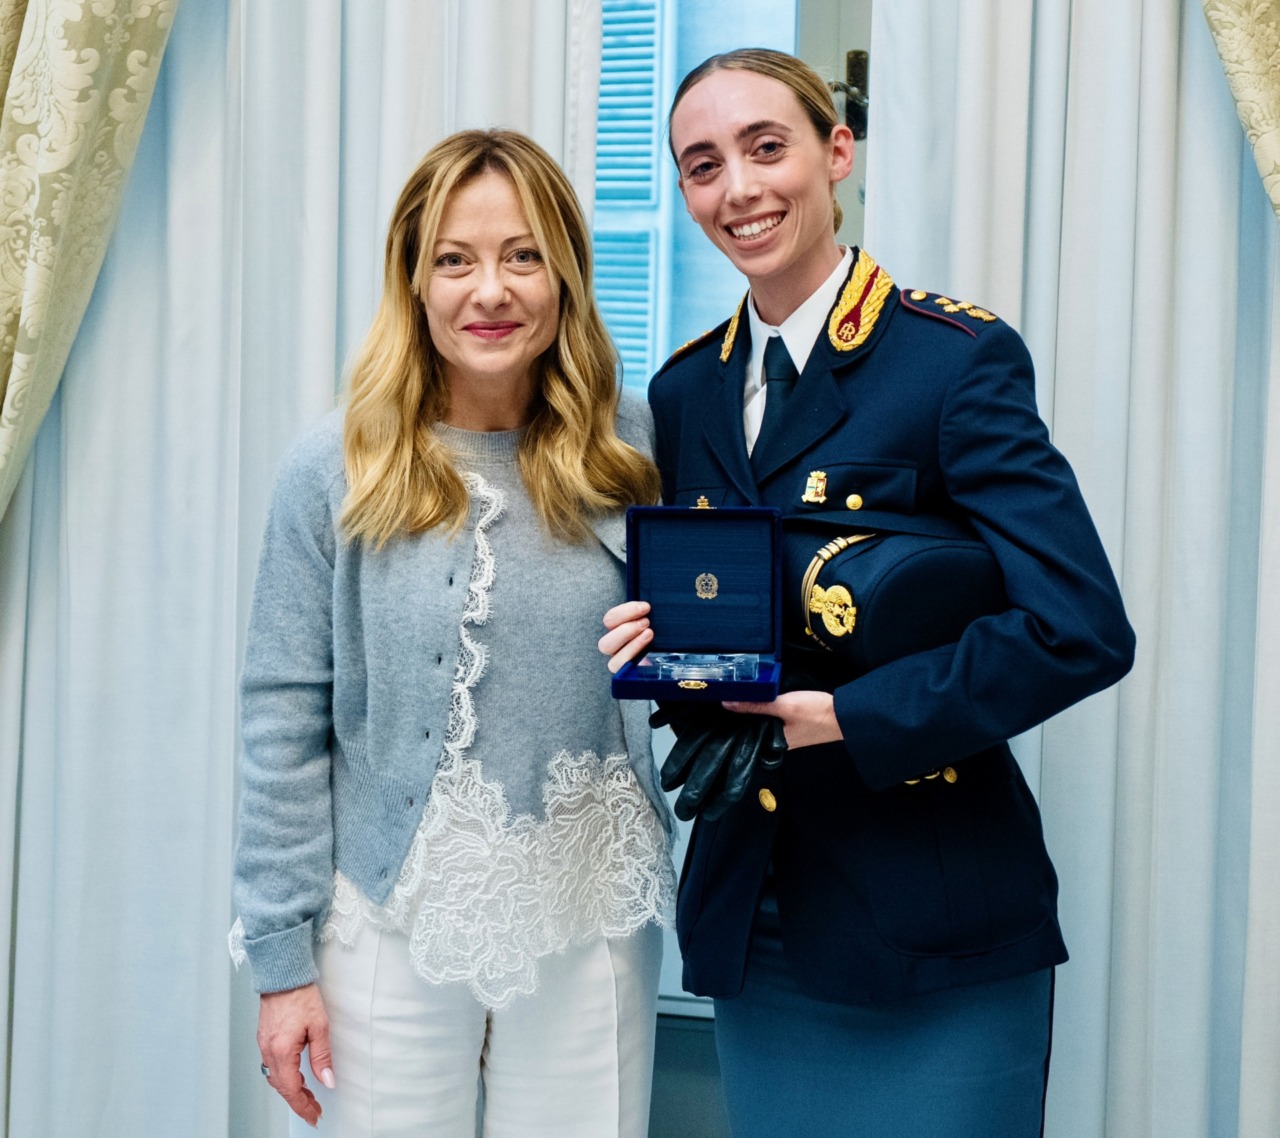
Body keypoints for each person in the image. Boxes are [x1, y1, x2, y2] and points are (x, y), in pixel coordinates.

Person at [599, 48, 1135, 1137]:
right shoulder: (682, 389)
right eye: (702, 167)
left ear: (833, 152)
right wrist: (656, 646)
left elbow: (1079, 627)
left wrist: (850, 717)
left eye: (764, 148)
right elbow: (728, 625)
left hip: (930, 909)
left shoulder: (951, 361)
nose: (737, 190)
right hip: (755, 910)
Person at [230, 128, 675, 1137]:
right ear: (413, 280)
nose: (492, 291)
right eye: (455, 260)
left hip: (590, 903)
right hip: (387, 910)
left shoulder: (640, 451)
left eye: (523, 256)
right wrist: (280, 963)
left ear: (563, 275)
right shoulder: (333, 470)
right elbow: (281, 720)